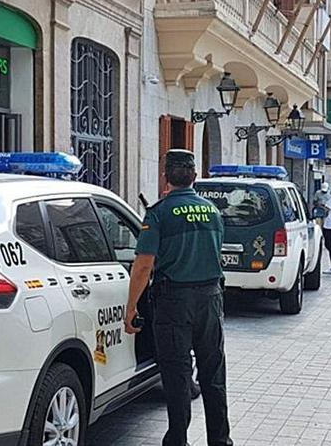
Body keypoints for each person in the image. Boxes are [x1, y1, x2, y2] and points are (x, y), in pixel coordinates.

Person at [125, 149, 232, 446]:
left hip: (174, 303)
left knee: (177, 374)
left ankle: (177, 439)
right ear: (194, 177)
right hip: (210, 299)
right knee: (213, 374)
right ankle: (220, 440)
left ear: (165, 177)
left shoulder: (159, 213)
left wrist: (131, 307)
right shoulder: (212, 211)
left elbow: (144, 265)